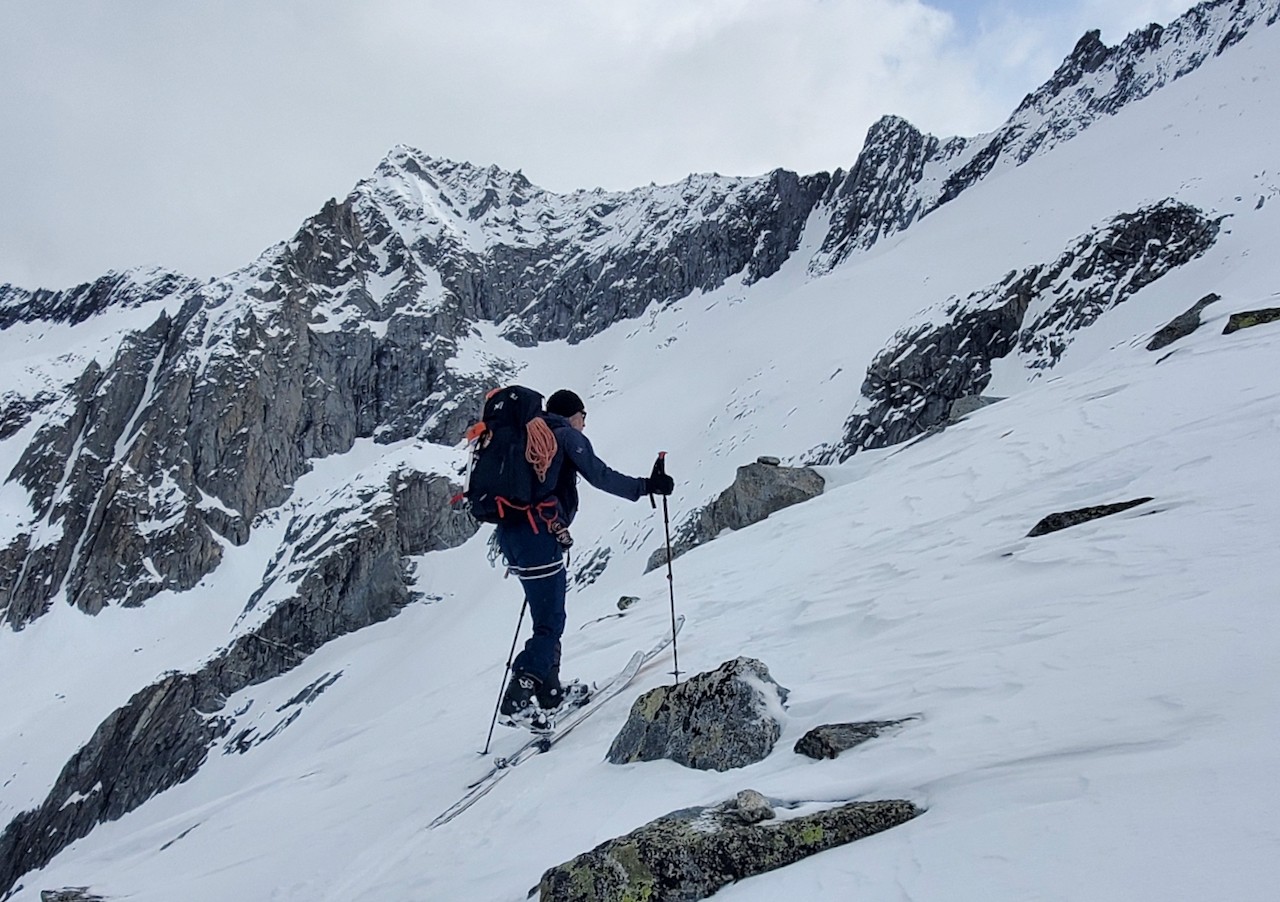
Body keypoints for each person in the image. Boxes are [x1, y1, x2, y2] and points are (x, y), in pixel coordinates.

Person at [498, 388, 674, 724]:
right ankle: (518, 696)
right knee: (551, 622)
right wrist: (647, 486)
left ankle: (550, 692)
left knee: (546, 616)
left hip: (513, 537)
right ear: (572, 414)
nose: (584, 424)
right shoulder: (564, 436)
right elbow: (600, 475)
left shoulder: (530, 437)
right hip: (539, 536)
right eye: (583, 416)